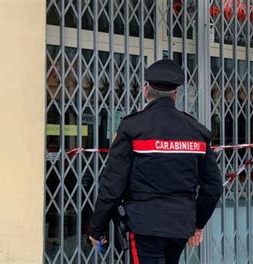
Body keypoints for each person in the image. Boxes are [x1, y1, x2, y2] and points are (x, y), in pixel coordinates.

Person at [88, 59, 223, 264]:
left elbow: (112, 185)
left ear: (146, 91)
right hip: (180, 225)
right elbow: (213, 187)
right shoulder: (196, 131)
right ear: (176, 95)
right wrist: (197, 224)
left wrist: (97, 228)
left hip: (144, 225)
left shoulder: (132, 127)